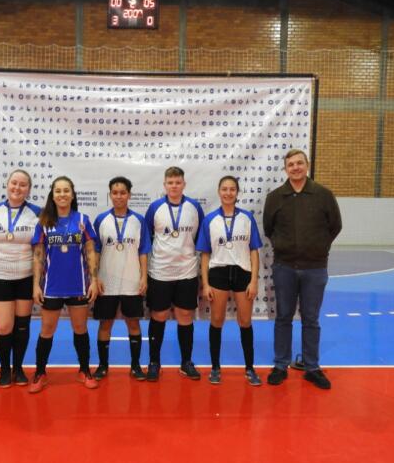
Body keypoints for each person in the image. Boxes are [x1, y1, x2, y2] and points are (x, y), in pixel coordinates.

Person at [262, 149, 342, 390]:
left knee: (311, 319)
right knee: (283, 317)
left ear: (307, 165)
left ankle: (311, 367)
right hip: (284, 267)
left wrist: (318, 248)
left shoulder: (323, 195)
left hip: (315, 268)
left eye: (299, 163)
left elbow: (335, 226)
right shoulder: (275, 197)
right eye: (291, 164)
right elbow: (269, 228)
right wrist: (284, 247)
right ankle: (280, 364)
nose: (295, 167)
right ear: (285, 169)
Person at [29, 176, 100, 393]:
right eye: (58, 191)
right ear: (52, 194)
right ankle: (40, 373)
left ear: (72, 194)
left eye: (66, 190)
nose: (62, 194)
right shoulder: (44, 222)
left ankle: (84, 371)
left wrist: (94, 280)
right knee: (47, 330)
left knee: (80, 329)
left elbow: (90, 251)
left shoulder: (82, 220)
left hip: (78, 286)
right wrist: (36, 285)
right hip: (51, 287)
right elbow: (38, 255)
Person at [197, 176, 263, 386]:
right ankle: (215, 367)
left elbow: (254, 251)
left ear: (237, 192)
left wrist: (254, 281)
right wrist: (206, 284)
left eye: (232, 189)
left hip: (243, 274)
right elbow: (205, 254)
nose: (228, 193)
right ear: (219, 192)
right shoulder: (210, 220)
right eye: (224, 189)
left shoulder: (246, 218)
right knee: (217, 321)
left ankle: (250, 368)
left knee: (245, 321)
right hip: (218, 273)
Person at [144, 166, 205, 381]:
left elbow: (199, 238)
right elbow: (148, 237)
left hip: (187, 272)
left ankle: (186, 362)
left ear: (184, 184)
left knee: (185, 317)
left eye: (178, 182)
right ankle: (154, 362)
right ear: (164, 185)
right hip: (160, 272)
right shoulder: (155, 208)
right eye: (170, 183)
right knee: (158, 316)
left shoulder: (195, 207)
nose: (174, 186)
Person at [92, 177, 151, 381]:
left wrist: (144, 277)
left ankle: (135, 366)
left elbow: (143, 251)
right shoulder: (101, 220)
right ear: (110, 195)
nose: (119, 196)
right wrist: (95, 277)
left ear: (129, 195)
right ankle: (102, 366)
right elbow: (95, 252)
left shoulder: (139, 220)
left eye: (123, 192)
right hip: (106, 282)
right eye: (115, 193)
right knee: (105, 325)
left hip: (131, 281)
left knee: (133, 324)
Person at [0, 169, 41, 388]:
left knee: (22, 326)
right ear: (7, 184)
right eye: (14, 183)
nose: (17, 188)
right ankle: (3, 368)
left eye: (22, 185)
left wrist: (37, 282)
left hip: (25, 277)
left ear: (29, 189)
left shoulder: (37, 213)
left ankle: (18, 368)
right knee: (3, 327)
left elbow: (39, 250)